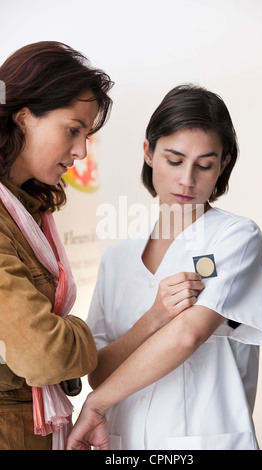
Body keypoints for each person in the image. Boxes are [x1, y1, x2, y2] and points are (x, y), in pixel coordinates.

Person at [67, 84, 262, 451]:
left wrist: (95, 406)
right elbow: (98, 372)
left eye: (204, 165)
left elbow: (187, 336)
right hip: (124, 444)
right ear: (148, 152)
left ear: (223, 164)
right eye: (174, 160)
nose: (187, 180)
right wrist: (154, 317)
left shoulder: (236, 238)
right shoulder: (117, 259)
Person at [0, 41, 113, 450]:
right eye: (73, 130)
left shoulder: (28, 211)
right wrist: (81, 334)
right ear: (24, 115)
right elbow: (43, 355)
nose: (82, 151)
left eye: (87, 135)